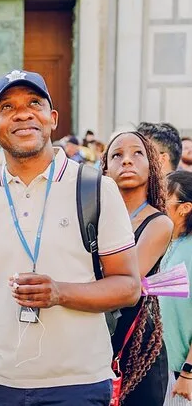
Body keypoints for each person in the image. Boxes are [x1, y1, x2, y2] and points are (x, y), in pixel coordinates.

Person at [0, 70, 141, 406]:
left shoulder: (96, 189)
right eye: (7, 107)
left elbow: (128, 287)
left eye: (34, 103)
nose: (22, 114)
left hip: (79, 384)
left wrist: (59, 292)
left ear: (52, 118)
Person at [103, 131, 173, 405]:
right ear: (105, 170)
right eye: (117, 155)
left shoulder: (158, 223)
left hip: (137, 343)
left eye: (137, 153)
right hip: (98, 337)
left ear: (152, 165)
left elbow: (125, 280)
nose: (127, 160)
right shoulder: (97, 218)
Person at [161, 171, 192, 404]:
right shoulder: (161, 242)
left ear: (185, 208)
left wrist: (188, 373)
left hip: (180, 375)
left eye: (165, 197)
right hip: (157, 368)